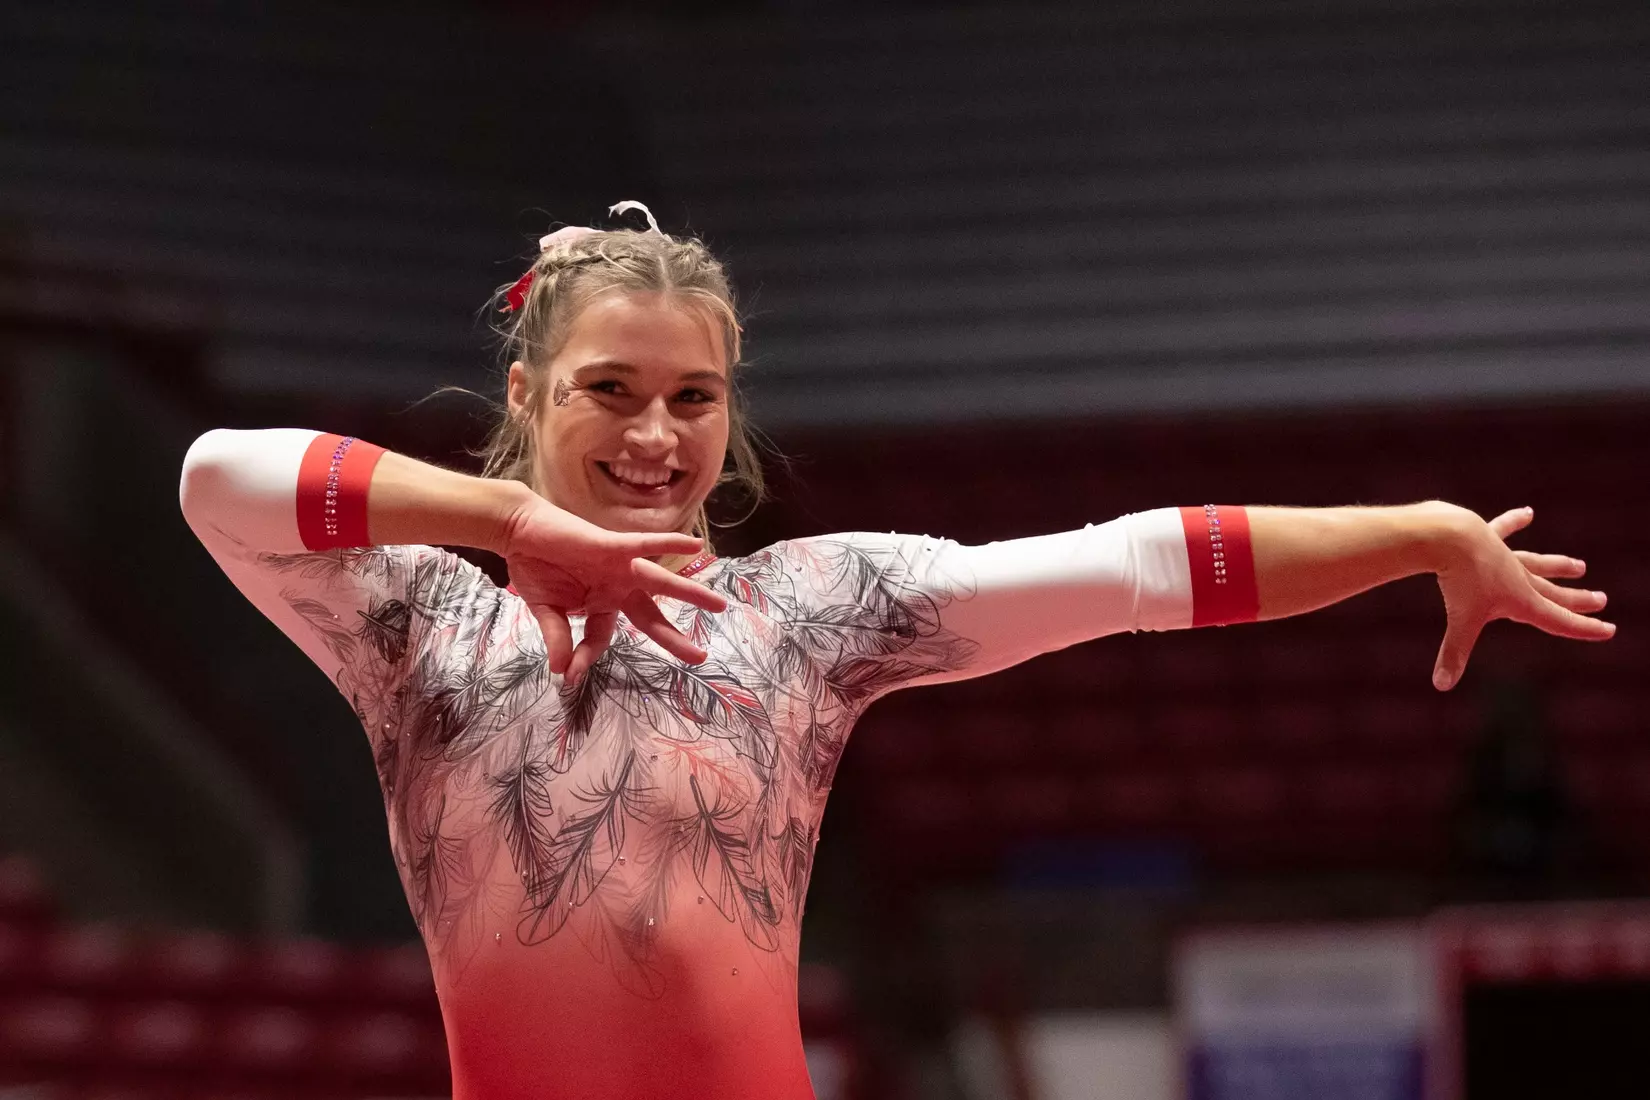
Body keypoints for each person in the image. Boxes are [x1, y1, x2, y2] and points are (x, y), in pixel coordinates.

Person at [178, 206, 1614, 1100]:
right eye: (608, 391)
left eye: (695, 396)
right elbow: (212, 478)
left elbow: (1133, 567)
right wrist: (503, 519)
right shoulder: (419, 624)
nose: (656, 435)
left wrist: (1419, 532)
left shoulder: (808, 614)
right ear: (525, 391)